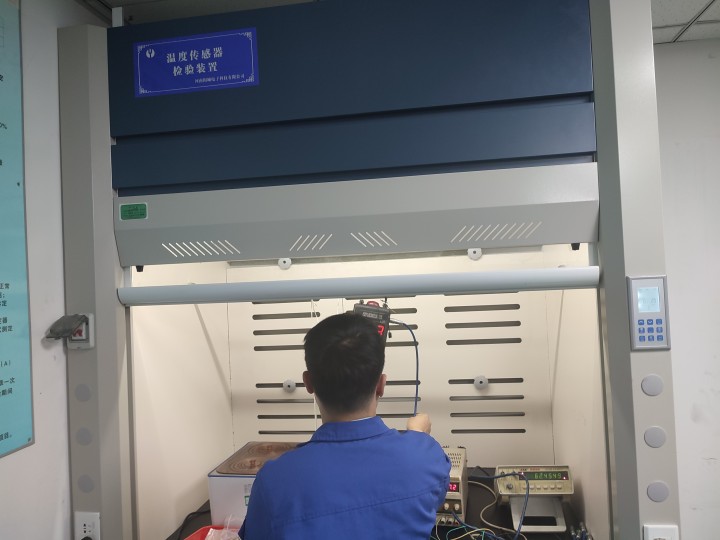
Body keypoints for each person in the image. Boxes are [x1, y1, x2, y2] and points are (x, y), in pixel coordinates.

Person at [239, 312, 451, 539]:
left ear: (308, 383)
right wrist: (419, 436)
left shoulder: (273, 481)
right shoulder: (425, 456)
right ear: (381, 384)